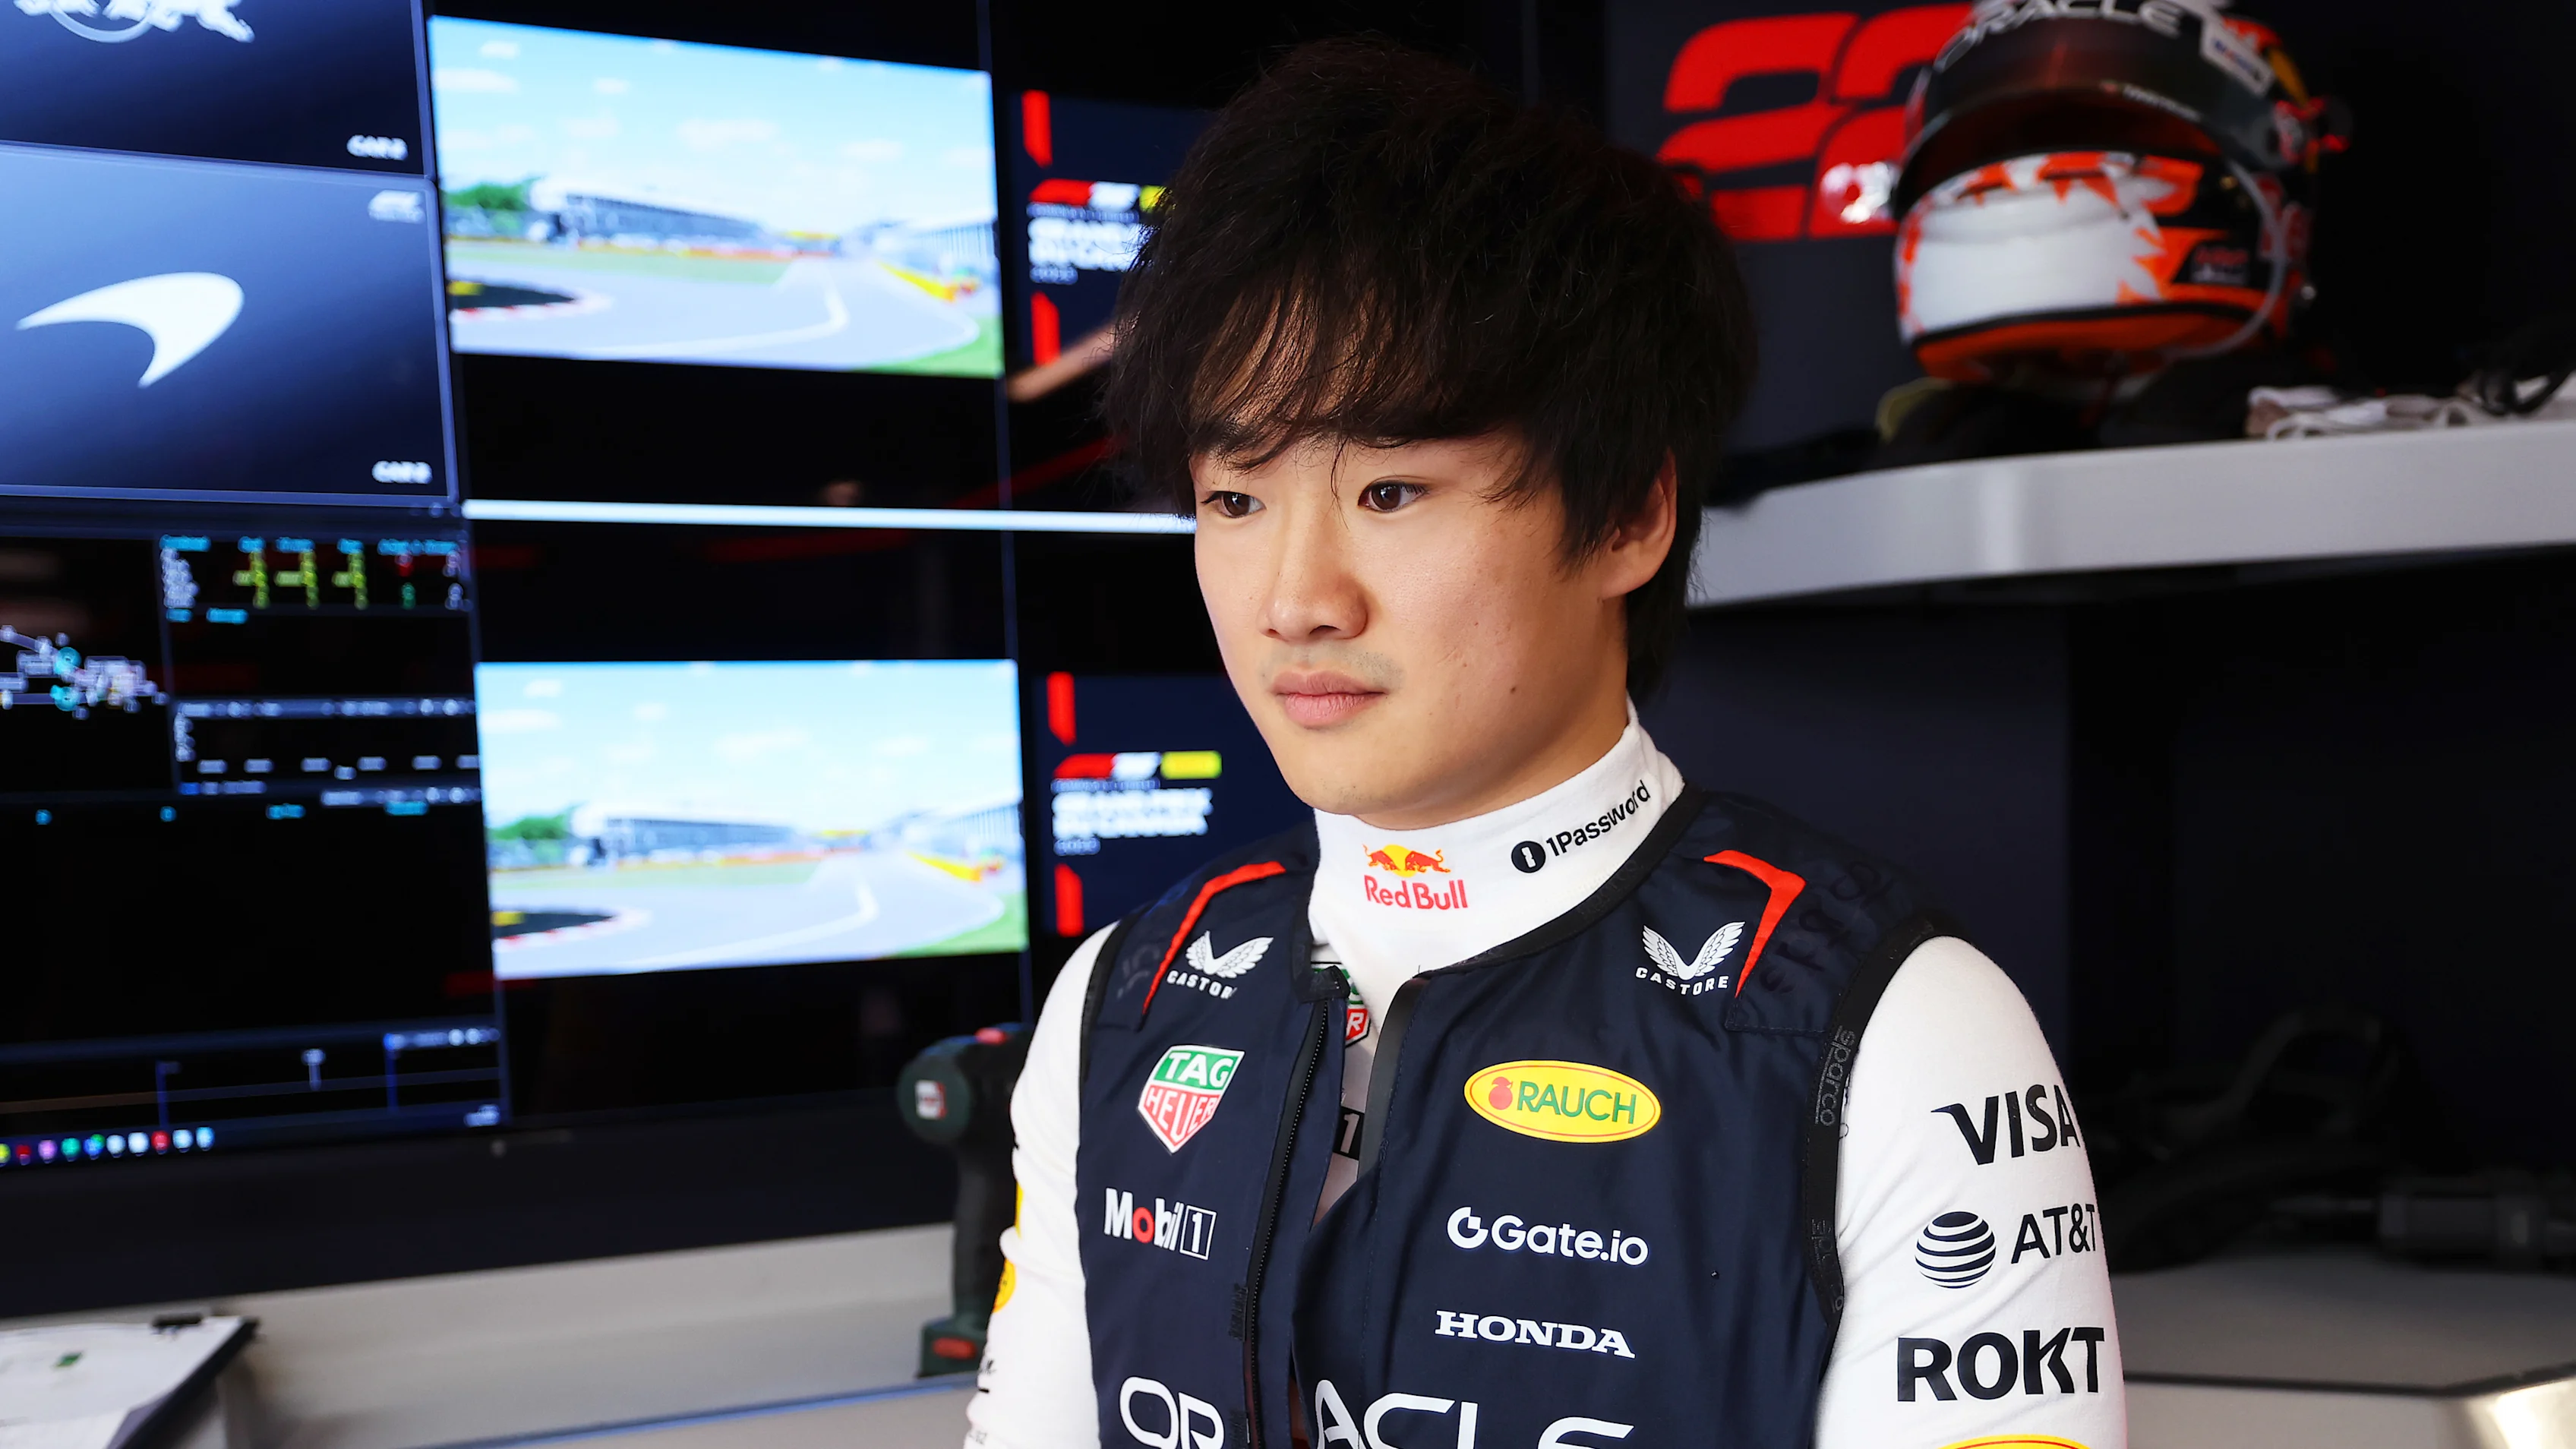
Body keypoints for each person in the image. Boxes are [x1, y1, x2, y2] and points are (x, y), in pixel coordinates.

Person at [968, 39, 2121, 1449]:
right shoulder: (1121, 1002)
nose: (1296, 601)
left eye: (1391, 490)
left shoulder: (1893, 1026)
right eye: (1233, 498)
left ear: (1631, 516)